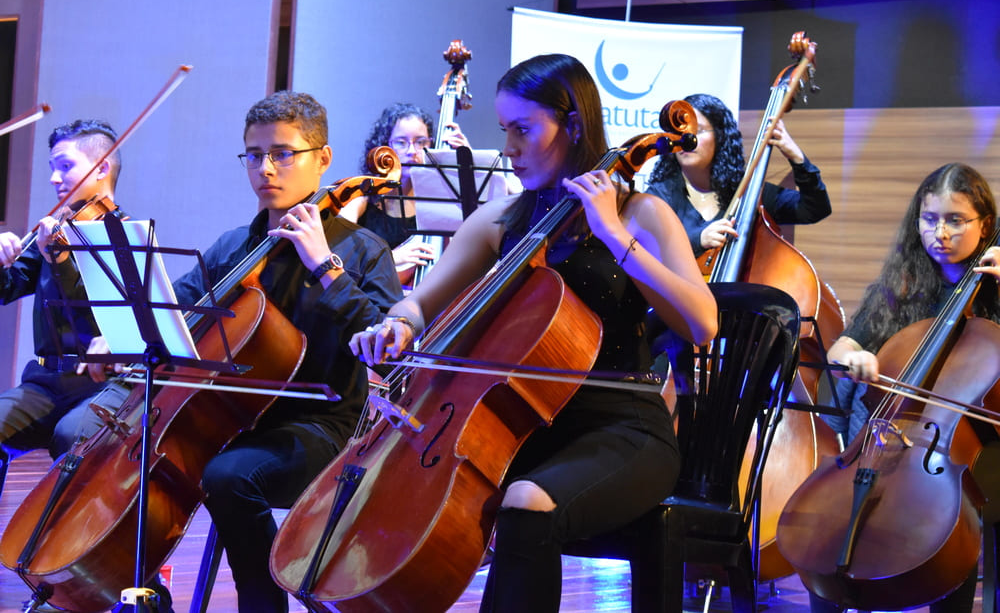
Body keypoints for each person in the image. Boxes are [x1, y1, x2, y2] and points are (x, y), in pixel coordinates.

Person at [350, 54, 717, 612]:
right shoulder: (502, 222)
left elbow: (702, 324)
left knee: (524, 502)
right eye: (505, 131)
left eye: (523, 130)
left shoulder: (640, 214)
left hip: (623, 432)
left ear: (572, 125)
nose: (511, 148)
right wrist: (397, 325)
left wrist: (614, 235)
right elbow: (422, 302)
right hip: (523, 429)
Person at [168, 91, 402, 612]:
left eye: (282, 153)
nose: (265, 168)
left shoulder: (362, 251)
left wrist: (323, 265)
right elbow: (171, 314)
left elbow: (388, 347)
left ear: (323, 158)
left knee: (229, 476)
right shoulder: (233, 248)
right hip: (230, 419)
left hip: (322, 428)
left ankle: (261, 604)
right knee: (148, 454)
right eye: (254, 154)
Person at [812, 162, 1000, 613]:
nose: (941, 233)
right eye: (930, 218)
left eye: (956, 220)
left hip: (979, 450)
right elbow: (840, 349)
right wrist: (855, 357)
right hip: (894, 443)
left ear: (985, 224)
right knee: (831, 529)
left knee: (956, 516)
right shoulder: (900, 287)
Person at [0, 119, 130, 462]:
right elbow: (6, 289)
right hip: (45, 380)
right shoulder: (54, 231)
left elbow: (96, 314)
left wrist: (59, 261)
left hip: (98, 384)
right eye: (52, 168)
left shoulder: (125, 239)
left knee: (71, 435)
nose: (54, 178)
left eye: (66, 167)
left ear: (102, 167)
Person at [643, 92, 831, 257]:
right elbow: (644, 252)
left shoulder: (750, 194)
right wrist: (697, 240)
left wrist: (796, 156)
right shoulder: (659, 197)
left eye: (698, 131)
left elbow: (814, 209)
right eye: (680, 133)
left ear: (720, 137)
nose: (687, 140)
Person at [341, 102, 468, 281]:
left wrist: (468, 163)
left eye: (421, 142)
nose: (412, 151)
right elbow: (337, 250)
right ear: (385, 146)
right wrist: (390, 258)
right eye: (401, 142)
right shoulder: (362, 197)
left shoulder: (439, 201)